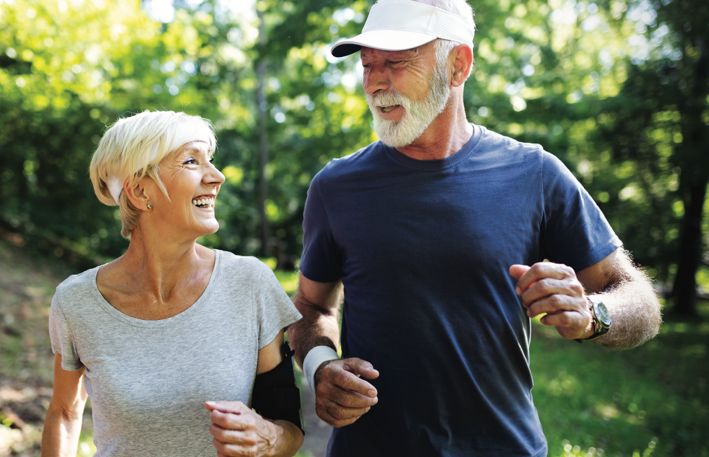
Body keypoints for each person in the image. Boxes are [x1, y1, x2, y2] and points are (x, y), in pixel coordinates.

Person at [287, 1, 663, 456]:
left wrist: (593, 315)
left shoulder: (536, 173)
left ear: (458, 65)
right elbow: (310, 305)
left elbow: (639, 301)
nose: (375, 83)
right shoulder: (336, 186)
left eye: (397, 62)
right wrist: (321, 366)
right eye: (368, 65)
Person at [41, 110, 304, 457]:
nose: (217, 177)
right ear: (139, 191)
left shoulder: (249, 283)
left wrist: (266, 437)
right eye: (192, 161)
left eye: (210, 160)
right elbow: (64, 412)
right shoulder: (77, 302)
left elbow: (290, 429)